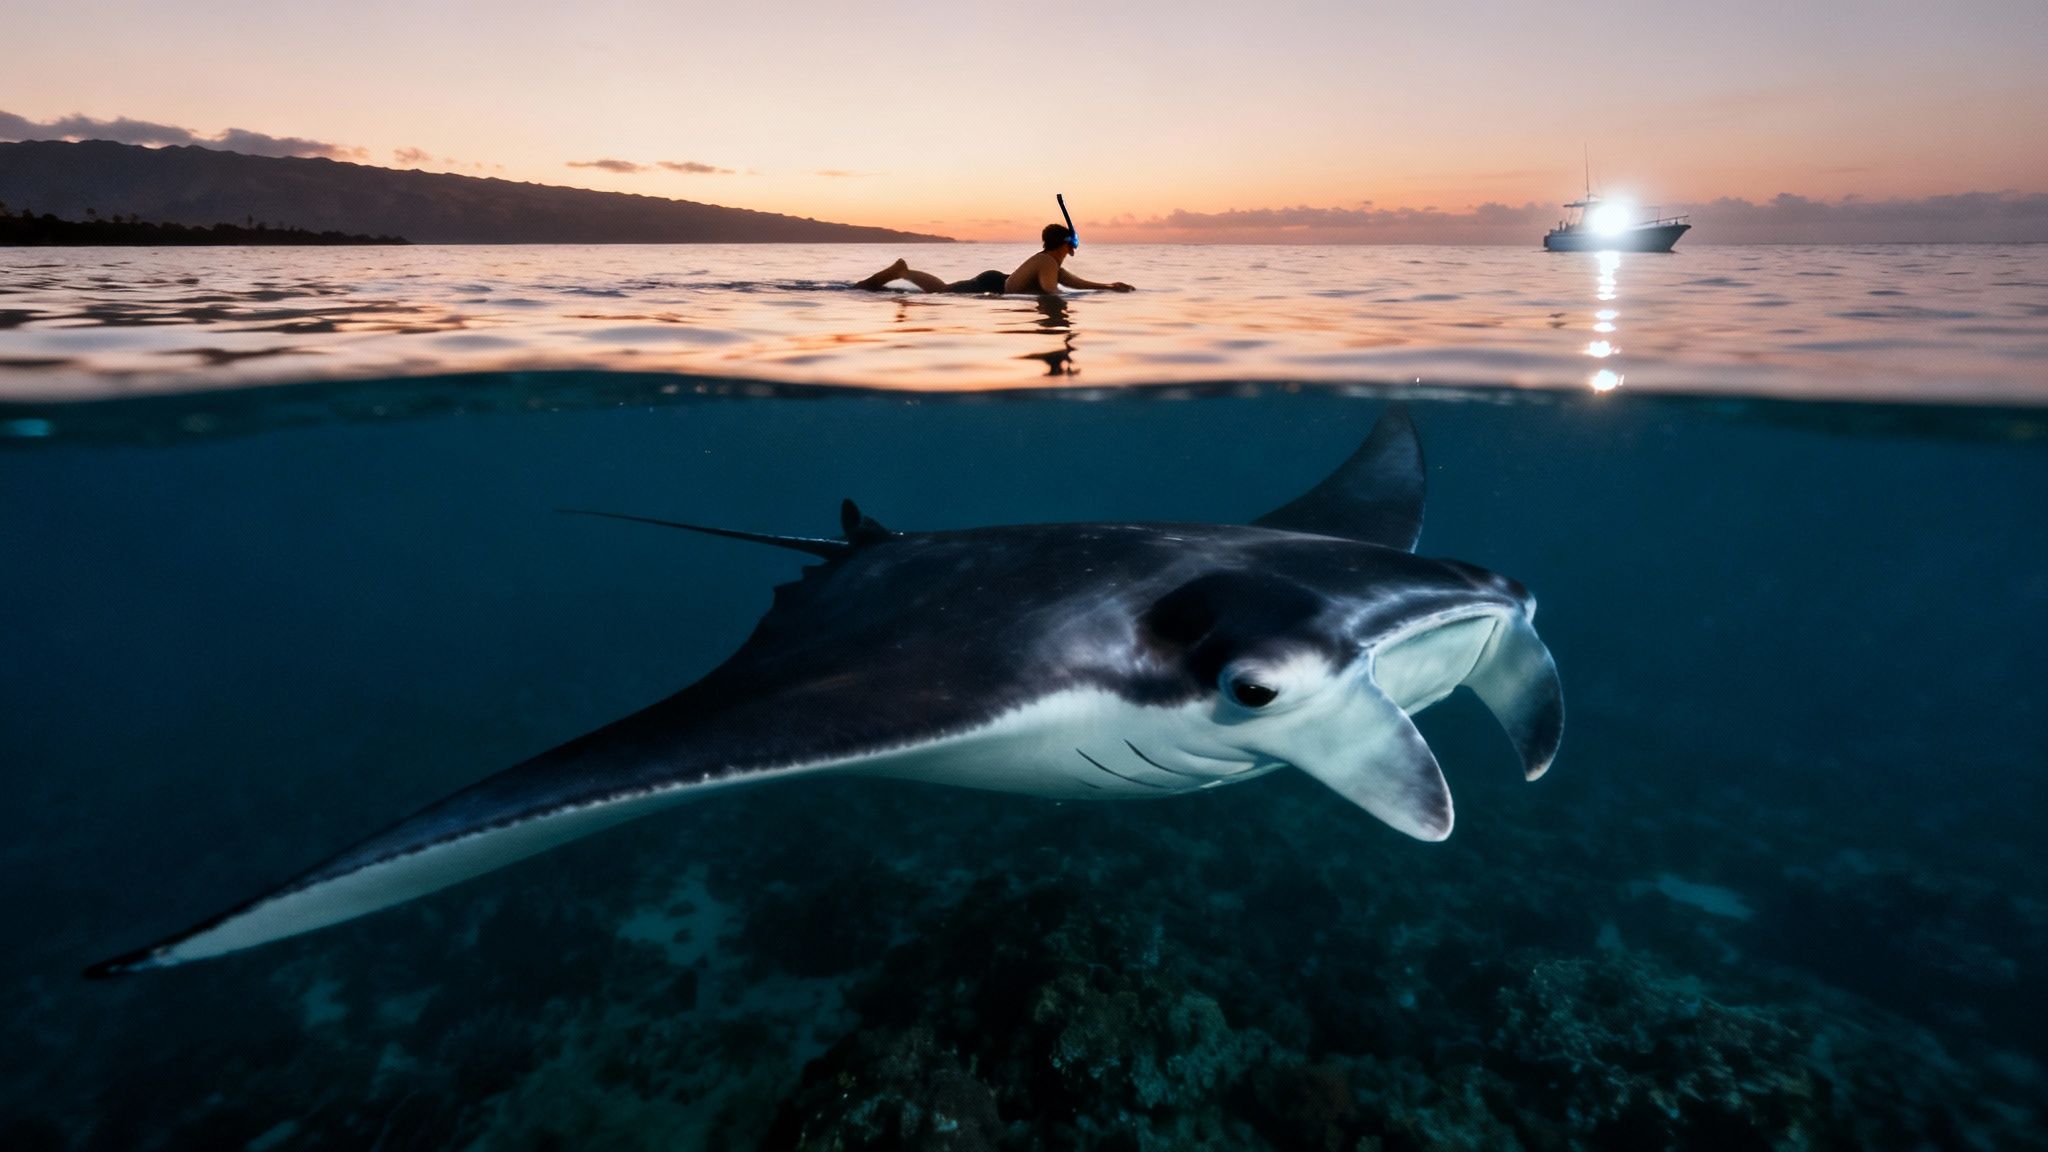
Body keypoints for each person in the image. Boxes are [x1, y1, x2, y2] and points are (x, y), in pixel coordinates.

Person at [856, 223, 1134, 295]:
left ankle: (904, 272)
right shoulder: (1047, 262)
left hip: (994, 281)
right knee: (942, 292)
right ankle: (903, 273)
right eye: (1073, 242)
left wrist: (1108, 286)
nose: (1075, 246)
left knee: (944, 289)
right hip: (991, 286)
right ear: (1065, 244)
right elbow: (1051, 292)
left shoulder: (1050, 264)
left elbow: (1073, 282)